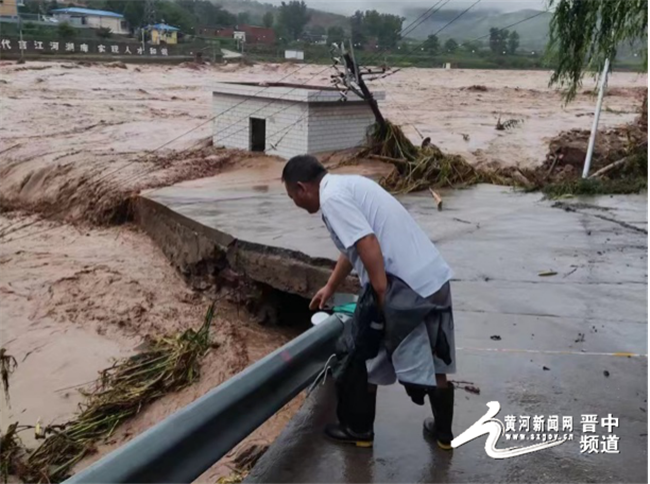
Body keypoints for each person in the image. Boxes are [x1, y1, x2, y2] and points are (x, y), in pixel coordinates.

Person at [282, 154, 456, 450]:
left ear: (302, 188)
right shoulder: (348, 185)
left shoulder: (333, 199)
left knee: (364, 351)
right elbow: (353, 246)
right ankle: (443, 436)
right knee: (437, 359)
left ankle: (360, 430)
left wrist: (380, 295)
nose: (295, 204)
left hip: (402, 289)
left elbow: (367, 243)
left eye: (292, 197)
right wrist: (330, 286)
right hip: (432, 278)